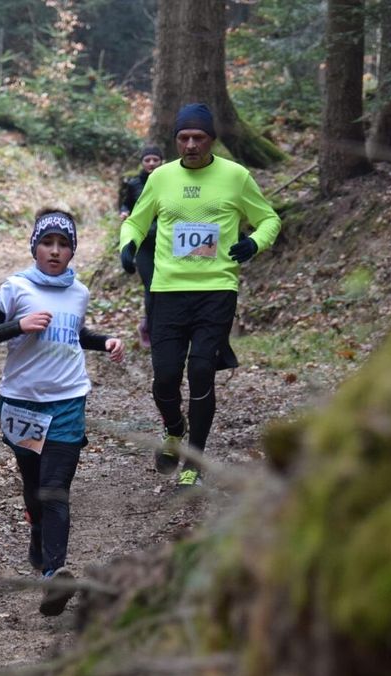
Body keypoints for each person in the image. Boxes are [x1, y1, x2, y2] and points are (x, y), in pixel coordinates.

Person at [0, 209, 125, 616]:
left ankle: (54, 576)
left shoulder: (79, 292)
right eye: (47, 243)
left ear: (72, 251)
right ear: (34, 248)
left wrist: (105, 341)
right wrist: (18, 325)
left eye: (63, 245)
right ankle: (36, 529)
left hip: (69, 401)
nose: (55, 251)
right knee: (34, 483)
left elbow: (73, 334)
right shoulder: (15, 288)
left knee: (56, 488)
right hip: (22, 402)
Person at [118, 103, 281, 488]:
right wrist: (128, 246)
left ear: (212, 140)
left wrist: (254, 243)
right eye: (184, 138)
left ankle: (194, 459)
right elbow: (136, 222)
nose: (191, 145)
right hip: (168, 292)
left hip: (216, 291)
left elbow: (269, 219)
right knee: (165, 378)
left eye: (199, 138)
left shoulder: (235, 176)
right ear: (176, 140)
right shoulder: (161, 178)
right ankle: (175, 429)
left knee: (202, 371)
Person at [117, 145, 164, 347]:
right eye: (147, 160)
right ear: (142, 163)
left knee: (167, 287)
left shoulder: (170, 181)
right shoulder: (134, 183)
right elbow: (126, 203)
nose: (151, 163)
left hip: (167, 243)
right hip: (144, 244)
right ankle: (149, 329)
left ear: (162, 161)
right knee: (151, 286)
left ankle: (160, 325)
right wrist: (124, 212)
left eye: (155, 159)